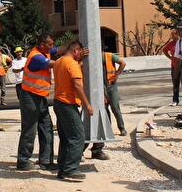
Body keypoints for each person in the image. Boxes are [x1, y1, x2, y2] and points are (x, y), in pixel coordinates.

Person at [53, 40, 94, 181]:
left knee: (66, 137)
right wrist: (87, 105)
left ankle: (63, 168)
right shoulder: (72, 64)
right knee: (78, 136)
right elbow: (77, 85)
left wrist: (80, 62)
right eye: (80, 53)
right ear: (76, 50)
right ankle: (70, 169)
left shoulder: (59, 62)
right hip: (68, 103)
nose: (80, 56)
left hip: (58, 102)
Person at [16, 33, 58, 171]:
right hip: (30, 96)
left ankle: (46, 160)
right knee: (30, 128)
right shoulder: (36, 57)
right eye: (50, 44)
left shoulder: (45, 51)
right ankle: (23, 161)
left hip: (40, 96)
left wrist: (77, 41)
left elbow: (61, 49)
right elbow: (57, 64)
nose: (52, 47)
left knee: (46, 127)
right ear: (42, 45)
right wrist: (74, 59)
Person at [89, 49, 127, 160]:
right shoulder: (93, 58)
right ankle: (107, 129)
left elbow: (123, 63)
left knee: (115, 107)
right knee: (104, 108)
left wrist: (116, 75)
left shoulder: (110, 56)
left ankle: (122, 128)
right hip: (101, 86)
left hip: (111, 85)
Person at [162, 30, 180, 106]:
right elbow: (164, 50)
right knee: (175, 83)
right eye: (172, 35)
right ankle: (175, 100)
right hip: (174, 66)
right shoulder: (171, 44)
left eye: (174, 35)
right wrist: (170, 57)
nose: (173, 37)